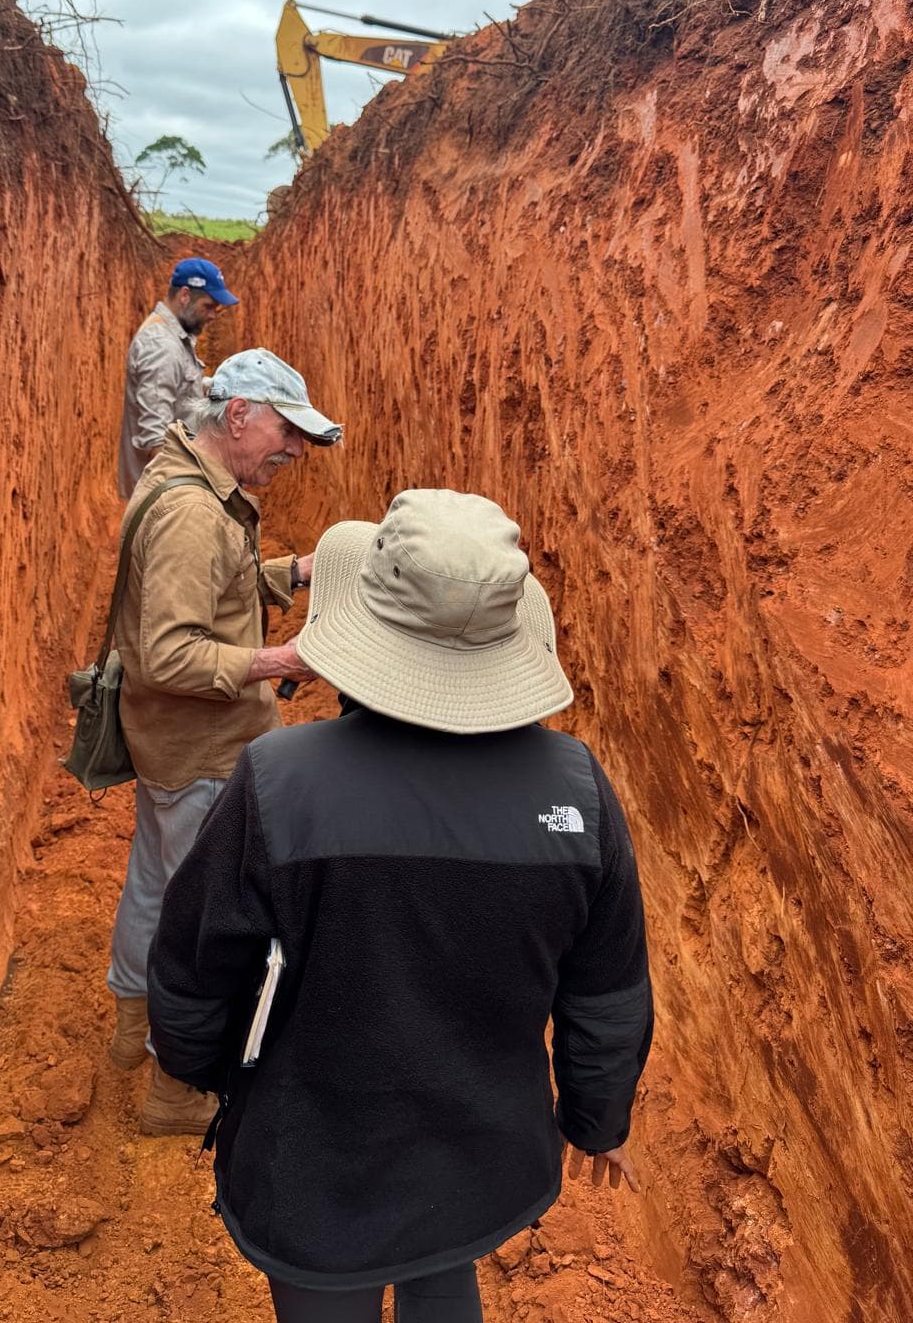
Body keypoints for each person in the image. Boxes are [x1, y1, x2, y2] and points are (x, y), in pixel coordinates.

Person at [148, 489, 653, 1321]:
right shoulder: (577, 793)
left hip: (313, 1171)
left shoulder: (280, 783)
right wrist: (597, 1119)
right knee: (443, 1268)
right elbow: (607, 991)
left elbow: (195, 968)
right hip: (480, 1163)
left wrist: (204, 1071)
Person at [108, 347, 343, 1136]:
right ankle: (175, 1088)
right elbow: (169, 653)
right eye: (287, 430)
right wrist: (283, 660)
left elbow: (220, 587)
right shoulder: (191, 513)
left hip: (174, 747)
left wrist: (294, 572)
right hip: (203, 752)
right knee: (200, 922)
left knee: (155, 884)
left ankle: (129, 1029)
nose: (296, 451)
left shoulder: (197, 481)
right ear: (238, 413)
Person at [118, 256, 238, 500]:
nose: (213, 315)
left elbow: (178, 389)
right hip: (164, 494)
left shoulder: (172, 337)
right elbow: (155, 437)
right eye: (209, 306)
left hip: (170, 487)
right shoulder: (162, 346)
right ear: (185, 295)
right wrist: (178, 498)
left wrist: (219, 387)